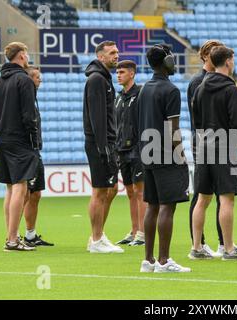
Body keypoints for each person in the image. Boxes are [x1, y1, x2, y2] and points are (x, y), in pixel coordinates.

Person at [191, 46, 237, 260]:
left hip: (203, 147)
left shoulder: (200, 87)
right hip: (224, 148)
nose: (233, 63)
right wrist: (234, 147)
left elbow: (196, 120)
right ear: (227, 61)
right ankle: (228, 248)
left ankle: (197, 247)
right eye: (232, 59)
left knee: (202, 199)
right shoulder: (231, 89)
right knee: (226, 199)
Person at [138, 44, 191, 273]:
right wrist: (181, 156)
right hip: (166, 156)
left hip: (146, 154)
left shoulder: (143, 89)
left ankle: (148, 260)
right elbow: (173, 130)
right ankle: (164, 260)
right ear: (167, 62)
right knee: (167, 208)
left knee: (152, 206)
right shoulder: (171, 90)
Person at [0, 42, 39, 251]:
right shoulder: (24, 80)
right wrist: (34, 137)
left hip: (2, 138)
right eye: (26, 53)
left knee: (10, 188)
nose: (27, 57)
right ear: (20, 56)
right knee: (20, 186)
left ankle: (11, 235)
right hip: (20, 139)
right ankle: (12, 239)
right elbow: (29, 115)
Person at [83, 40, 122, 254]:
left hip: (107, 142)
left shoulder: (103, 78)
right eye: (112, 53)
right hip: (101, 143)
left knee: (110, 189)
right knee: (99, 191)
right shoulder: (97, 80)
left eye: (117, 52)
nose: (116, 55)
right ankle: (96, 239)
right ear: (100, 57)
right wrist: (103, 147)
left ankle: (98, 235)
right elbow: (97, 116)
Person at [187, 39, 225, 259]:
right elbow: (197, 118)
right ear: (204, 56)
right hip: (204, 142)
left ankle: (224, 242)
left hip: (220, 141)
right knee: (202, 193)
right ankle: (198, 243)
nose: (215, 55)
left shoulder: (219, 79)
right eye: (212, 52)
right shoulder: (197, 82)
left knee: (223, 194)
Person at [114, 60, 146, 247]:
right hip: (122, 150)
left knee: (140, 192)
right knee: (129, 192)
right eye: (117, 72)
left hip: (137, 149)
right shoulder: (118, 97)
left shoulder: (140, 94)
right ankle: (134, 230)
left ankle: (142, 232)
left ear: (132, 74)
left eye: (122, 72)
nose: (118, 75)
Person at [22, 66, 53, 247]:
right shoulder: (25, 100)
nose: (40, 80)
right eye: (37, 77)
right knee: (24, 194)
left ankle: (30, 235)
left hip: (35, 150)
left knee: (35, 194)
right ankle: (13, 235)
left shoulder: (32, 100)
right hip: (27, 151)